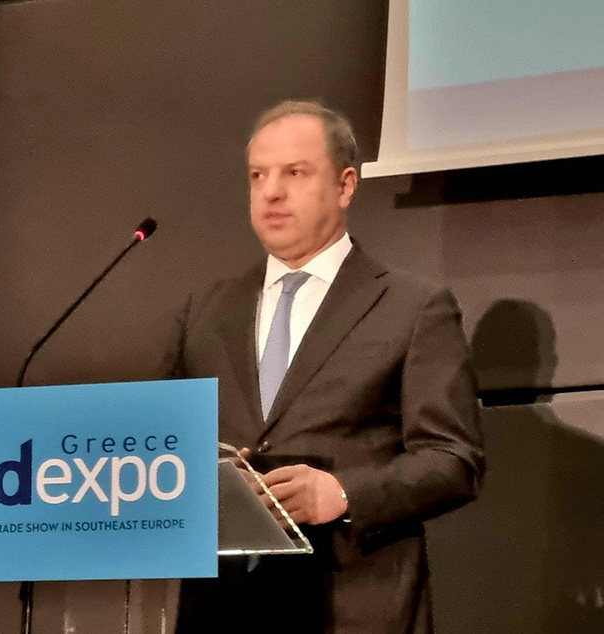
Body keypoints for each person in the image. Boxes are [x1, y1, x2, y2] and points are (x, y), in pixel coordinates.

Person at [164, 100, 485, 633]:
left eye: (294, 173)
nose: (271, 192)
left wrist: (341, 493)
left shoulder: (412, 307)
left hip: (354, 606)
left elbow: (454, 460)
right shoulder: (205, 311)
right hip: (222, 610)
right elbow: (165, 448)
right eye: (258, 175)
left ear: (345, 186)